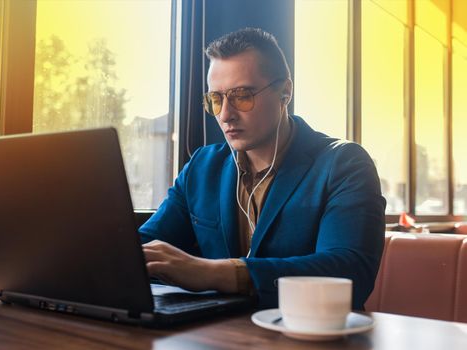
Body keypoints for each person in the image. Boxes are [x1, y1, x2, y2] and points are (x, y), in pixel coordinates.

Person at [140, 27, 385, 310]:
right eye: (216, 99)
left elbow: (350, 272)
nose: (225, 114)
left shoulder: (344, 163)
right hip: (220, 334)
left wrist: (212, 272)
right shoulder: (202, 167)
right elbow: (145, 244)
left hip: (309, 334)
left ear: (285, 92)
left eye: (242, 95)